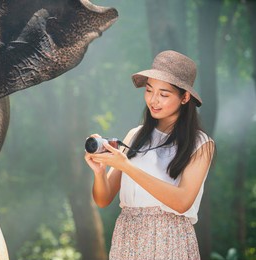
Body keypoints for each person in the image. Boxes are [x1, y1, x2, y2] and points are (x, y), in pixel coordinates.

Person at [84, 50, 215, 260]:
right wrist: (99, 172)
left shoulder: (201, 144)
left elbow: (182, 202)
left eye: (164, 94)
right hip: (127, 237)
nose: (154, 100)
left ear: (185, 97)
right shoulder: (135, 135)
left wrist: (127, 166)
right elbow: (102, 199)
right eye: (149, 90)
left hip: (170, 240)